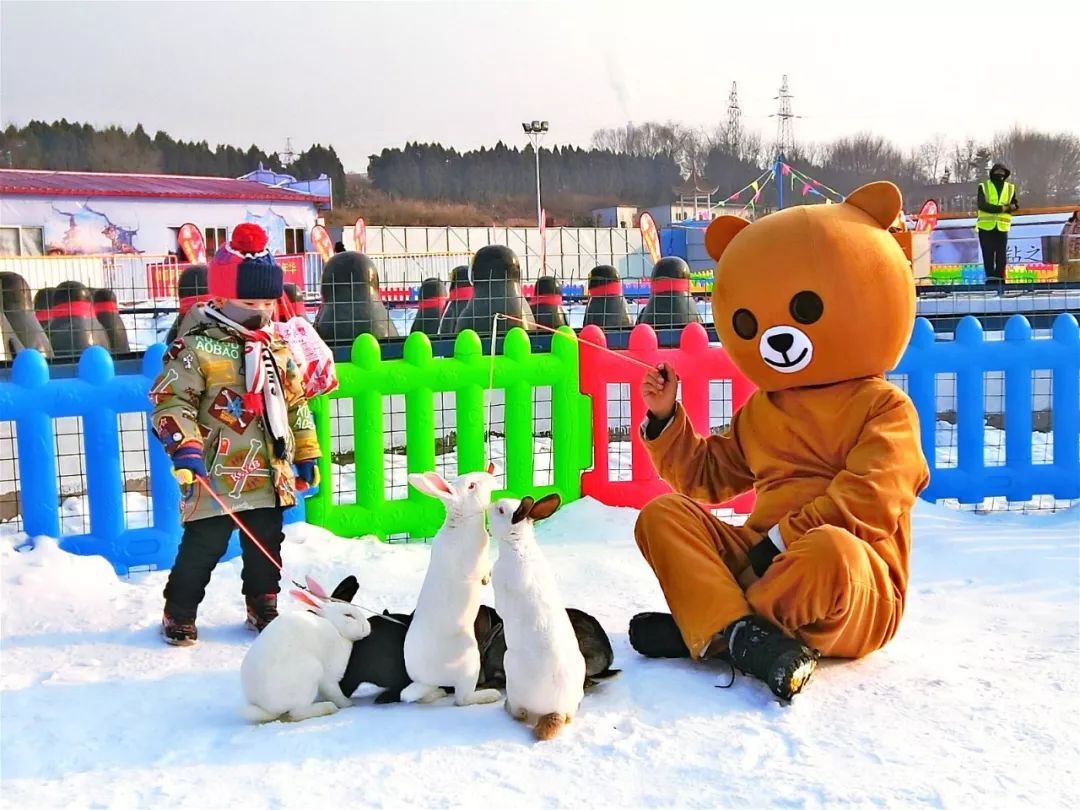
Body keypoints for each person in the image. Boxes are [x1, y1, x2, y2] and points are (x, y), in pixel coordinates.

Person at [628, 182, 930, 701]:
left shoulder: (885, 409)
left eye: (805, 310)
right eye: (752, 323)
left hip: (856, 587)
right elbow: (708, 475)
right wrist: (665, 418)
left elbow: (870, 500)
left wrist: (780, 544)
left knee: (831, 551)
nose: (777, 337)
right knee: (662, 516)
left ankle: (713, 624)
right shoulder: (765, 409)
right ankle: (741, 633)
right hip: (764, 561)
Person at [149, 223, 321, 646]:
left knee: (267, 546)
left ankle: (262, 602)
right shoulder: (195, 347)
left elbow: (295, 404)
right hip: (215, 470)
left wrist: (305, 452)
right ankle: (180, 611)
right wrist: (184, 448)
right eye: (249, 301)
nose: (260, 309)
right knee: (202, 549)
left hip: (268, 470)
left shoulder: (275, 349)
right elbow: (172, 401)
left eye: (267, 301)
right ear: (222, 298)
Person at [976, 162, 1019, 285]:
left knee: (1001, 256)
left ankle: (1000, 280)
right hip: (986, 226)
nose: (1000, 176)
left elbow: (1015, 204)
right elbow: (983, 205)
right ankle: (991, 279)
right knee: (988, 255)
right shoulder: (984, 186)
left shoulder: (1010, 188)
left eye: (1002, 174)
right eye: (997, 174)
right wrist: (1003, 208)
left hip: (1002, 226)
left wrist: (1009, 207)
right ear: (992, 174)